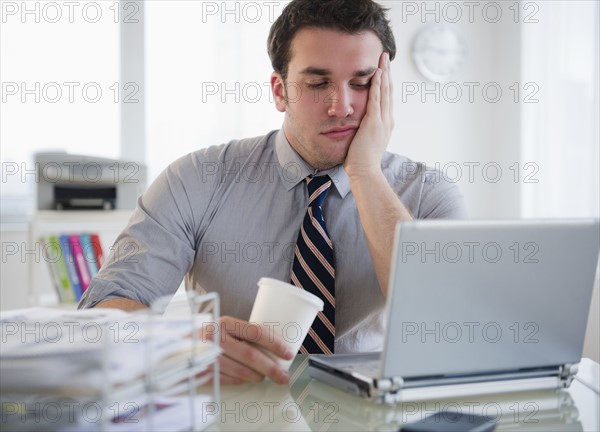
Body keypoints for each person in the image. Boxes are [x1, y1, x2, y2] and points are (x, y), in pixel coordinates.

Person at [80, 0, 467, 385]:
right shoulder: (196, 179)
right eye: (318, 84)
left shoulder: (427, 195)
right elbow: (101, 318)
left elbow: (445, 327)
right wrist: (179, 342)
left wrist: (364, 171)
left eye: (362, 84)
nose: (342, 106)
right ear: (280, 91)